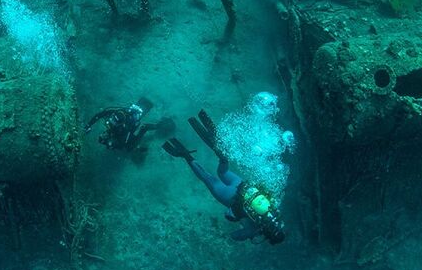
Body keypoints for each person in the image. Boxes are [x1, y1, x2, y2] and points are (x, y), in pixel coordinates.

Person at [162, 109, 285, 244]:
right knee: (207, 177)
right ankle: (185, 154)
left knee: (223, 171)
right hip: (229, 197)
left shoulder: (275, 210)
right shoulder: (256, 228)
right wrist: (252, 234)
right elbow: (234, 235)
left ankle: (220, 151)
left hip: (240, 185)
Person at [84, 97, 169, 151]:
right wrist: (88, 125)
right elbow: (99, 115)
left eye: (114, 122)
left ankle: (161, 125)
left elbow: (125, 144)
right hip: (124, 129)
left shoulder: (124, 128)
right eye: (112, 120)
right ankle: (144, 102)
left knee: (130, 147)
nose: (111, 122)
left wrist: (113, 145)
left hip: (129, 131)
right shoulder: (115, 112)